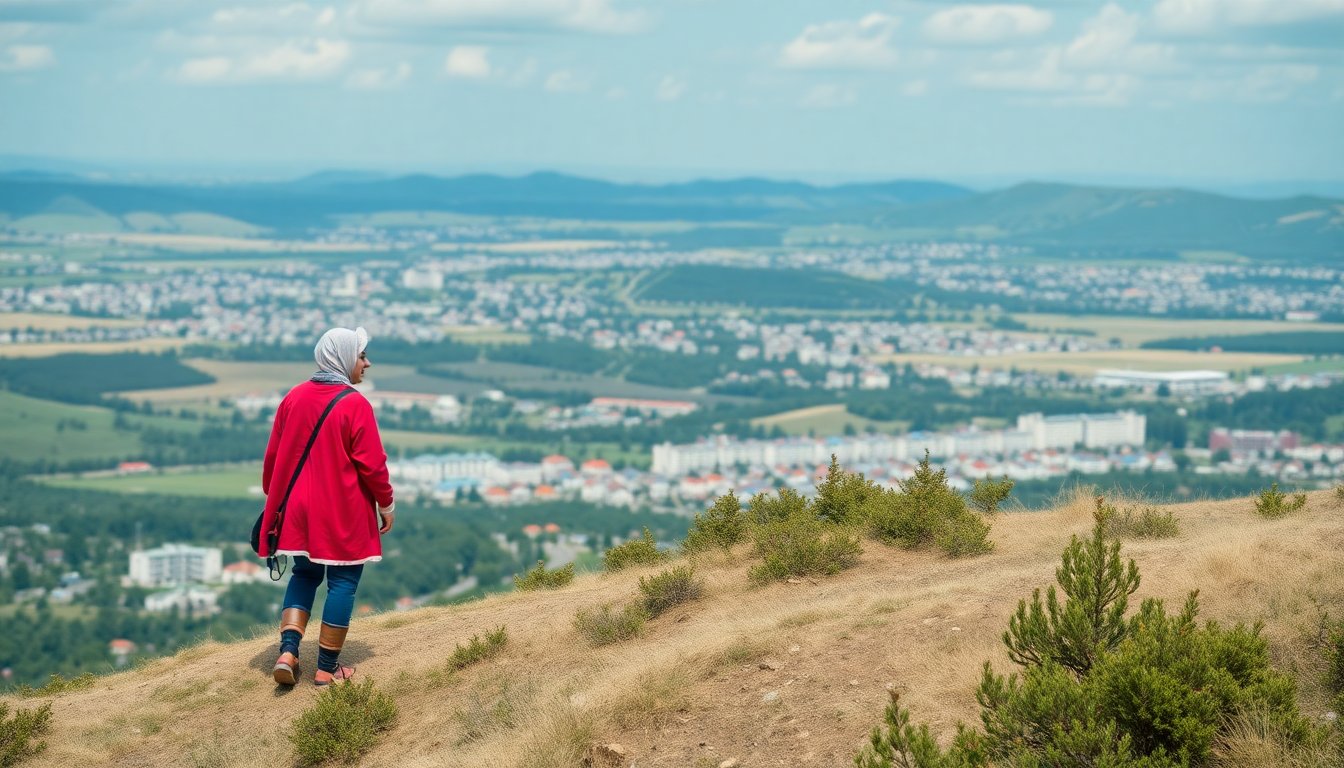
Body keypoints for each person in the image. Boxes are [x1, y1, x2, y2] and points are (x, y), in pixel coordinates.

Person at [258, 326, 395, 686]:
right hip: (342, 511)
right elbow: (372, 464)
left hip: (297, 511)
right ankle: (327, 668)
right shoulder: (354, 404)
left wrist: (275, 500)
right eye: (361, 355)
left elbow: (273, 457)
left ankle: (288, 652)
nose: (367, 363)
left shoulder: (294, 398)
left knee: (303, 575)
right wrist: (386, 503)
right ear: (343, 357)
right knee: (343, 582)